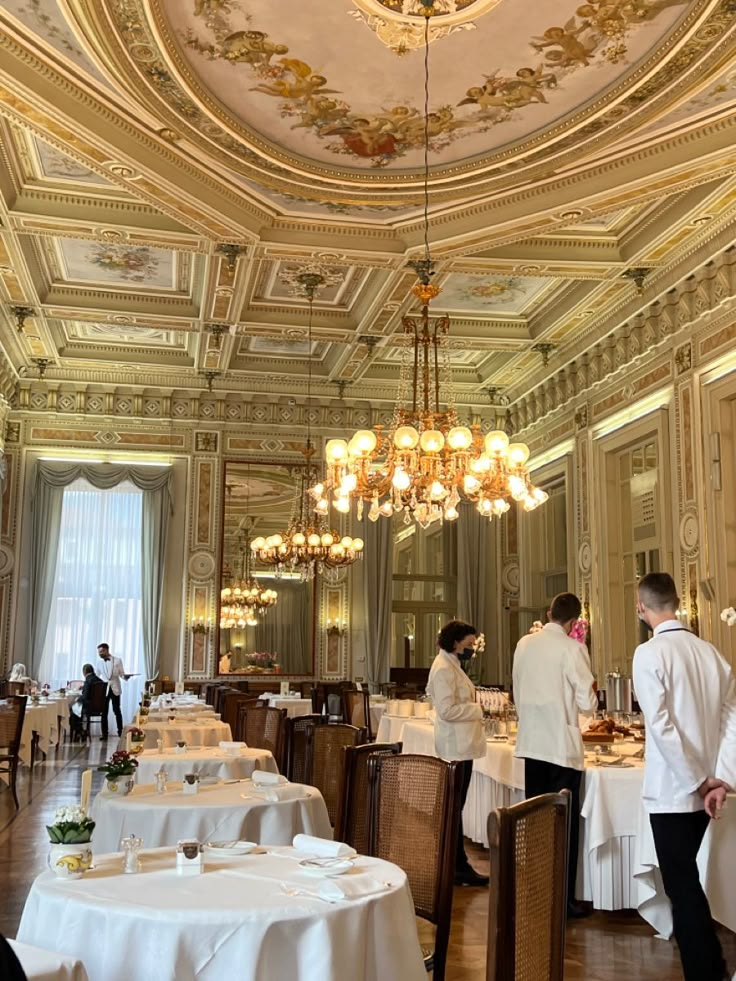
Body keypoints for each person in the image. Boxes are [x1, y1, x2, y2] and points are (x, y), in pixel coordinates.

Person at [632, 572, 736, 981]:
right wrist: (720, 779)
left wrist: (698, 780)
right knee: (686, 878)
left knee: (681, 884)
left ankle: (706, 971)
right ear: (676, 602)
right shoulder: (713, 654)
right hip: (706, 786)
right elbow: (732, 721)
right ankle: (710, 966)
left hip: (674, 791)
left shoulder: (649, 654)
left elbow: (659, 724)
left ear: (641, 608)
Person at [512, 592, 597, 918]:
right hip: (561, 746)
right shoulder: (573, 649)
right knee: (564, 823)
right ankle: (563, 900)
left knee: (536, 817)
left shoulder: (524, 644)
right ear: (574, 621)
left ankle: (535, 889)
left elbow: (517, 690)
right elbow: (587, 703)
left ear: (549, 613)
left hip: (532, 742)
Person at [426, 619, 489, 887]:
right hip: (455, 747)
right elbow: (447, 710)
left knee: (456, 806)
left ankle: (457, 863)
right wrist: (478, 710)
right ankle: (456, 866)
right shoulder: (443, 668)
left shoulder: (453, 665)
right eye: (469, 644)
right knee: (454, 807)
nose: (472, 648)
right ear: (455, 643)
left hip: (462, 746)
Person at [97, 643, 126, 740]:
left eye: (101, 651)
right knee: (104, 712)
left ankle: (120, 732)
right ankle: (104, 734)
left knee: (117, 710)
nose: (100, 654)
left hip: (115, 688)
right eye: (99, 652)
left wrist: (125, 677)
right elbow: (97, 677)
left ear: (106, 650)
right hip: (104, 689)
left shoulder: (117, 660)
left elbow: (122, 674)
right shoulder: (99, 663)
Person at [69, 663, 104, 741]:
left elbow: (85, 697)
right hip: (99, 707)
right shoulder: (99, 680)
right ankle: (81, 732)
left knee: (73, 710)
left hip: (88, 707)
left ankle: (79, 731)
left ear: (84, 672)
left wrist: (76, 700)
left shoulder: (88, 680)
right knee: (77, 708)